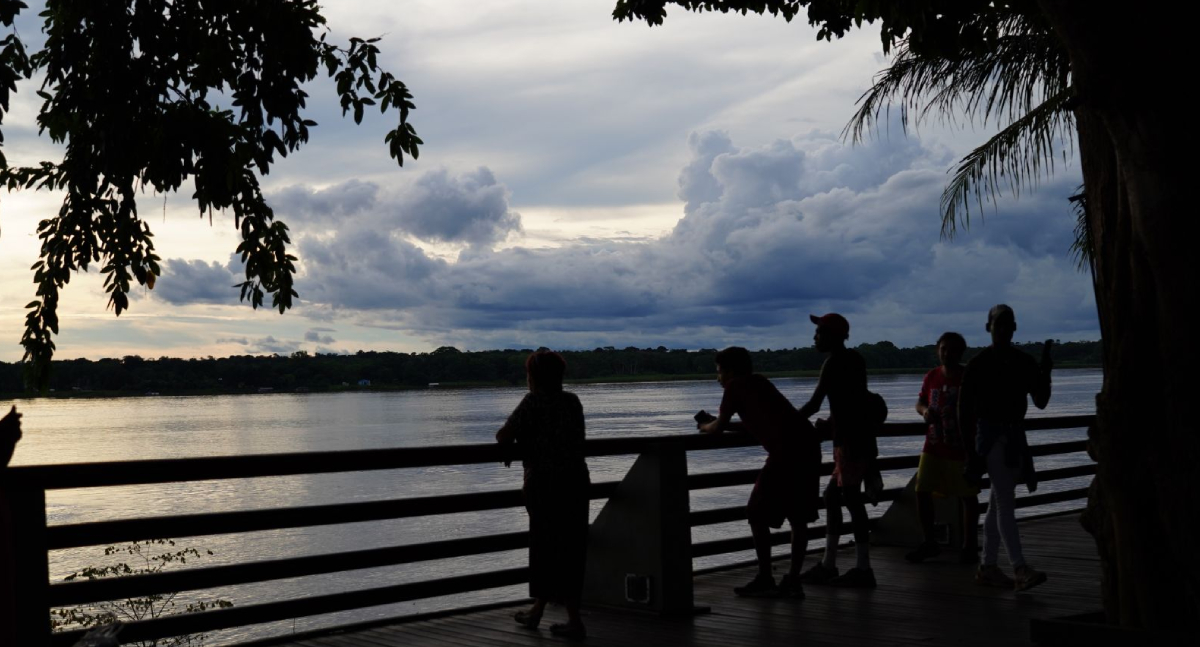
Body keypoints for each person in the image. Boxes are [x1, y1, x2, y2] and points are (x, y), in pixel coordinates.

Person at [697, 346, 820, 598]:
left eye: (719, 372)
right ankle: (792, 580)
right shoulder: (760, 382)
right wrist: (721, 424)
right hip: (808, 446)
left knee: (756, 512)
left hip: (785, 454)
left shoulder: (734, 387)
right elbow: (757, 422)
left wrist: (705, 426)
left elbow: (717, 428)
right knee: (798, 518)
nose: (718, 378)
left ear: (731, 372)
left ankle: (765, 577)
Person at [496, 351, 590, 639]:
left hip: (544, 485)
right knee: (570, 549)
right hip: (575, 481)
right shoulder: (572, 402)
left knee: (545, 547)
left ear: (533, 377)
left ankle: (564, 618)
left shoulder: (532, 402)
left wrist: (512, 446)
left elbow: (503, 435)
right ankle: (547, 613)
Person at [958, 304, 1052, 592]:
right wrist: (970, 453)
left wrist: (1046, 371)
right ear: (989, 327)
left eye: (1008, 324)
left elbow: (1041, 401)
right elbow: (964, 411)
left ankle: (987, 566)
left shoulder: (1023, 362)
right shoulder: (978, 364)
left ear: (1014, 328)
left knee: (998, 502)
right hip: (991, 437)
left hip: (1013, 437)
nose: (1003, 329)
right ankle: (1019, 567)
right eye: (999, 324)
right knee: (1005, 501)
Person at [797, 313, 877, 588]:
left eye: (819, 332)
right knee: (833, 497)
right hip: (855, 440)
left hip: (850, 443)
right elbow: (851, 401)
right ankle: (830, 564)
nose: (815, 337)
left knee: (851, 500)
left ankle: (863, 569)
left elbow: (814, 403)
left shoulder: (834, 363)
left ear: (832, 335)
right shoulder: (855, 359)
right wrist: (832, 422)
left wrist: (787, 422)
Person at [905, 332, 981, 564]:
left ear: (961, 352)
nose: (947, 354)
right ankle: (929, 542)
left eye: (953, 350)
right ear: (937, 349)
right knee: (922, 490)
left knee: (968, 495)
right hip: (933, 444)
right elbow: (920, 401)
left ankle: (969, 545)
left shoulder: (969, 377)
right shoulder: (931, 376)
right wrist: (925, 412)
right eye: (944, 349)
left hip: (962, 447)